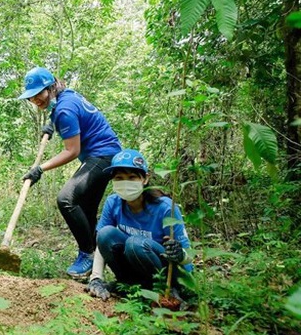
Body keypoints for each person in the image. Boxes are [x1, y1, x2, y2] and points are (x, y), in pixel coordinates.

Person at [18, 67, 122, 278]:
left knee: (67, 199)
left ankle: (87, 254)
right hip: (107, 154)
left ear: (50, 87)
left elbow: (72, 151)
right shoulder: (66, 97)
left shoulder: (64, 110)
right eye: (31, 97)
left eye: (39, 93)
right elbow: (65, 113)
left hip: (102, 156)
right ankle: (97, 261)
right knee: (86, 207)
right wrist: (50, 124)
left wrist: (40, 169)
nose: (36, 99)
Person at [86, 149, 193, 300]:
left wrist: (180, 255)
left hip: (166, 272)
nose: (126, 182)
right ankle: (130, 284)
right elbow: (101, 242)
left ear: (145, 179)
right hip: (135, 266)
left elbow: (188, 257)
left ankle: (166, 290)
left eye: (132, 177)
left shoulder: (165, 207)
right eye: (119, 178)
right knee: (105, 233)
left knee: (135, 243)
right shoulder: (113, 203)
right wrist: (95, 278)